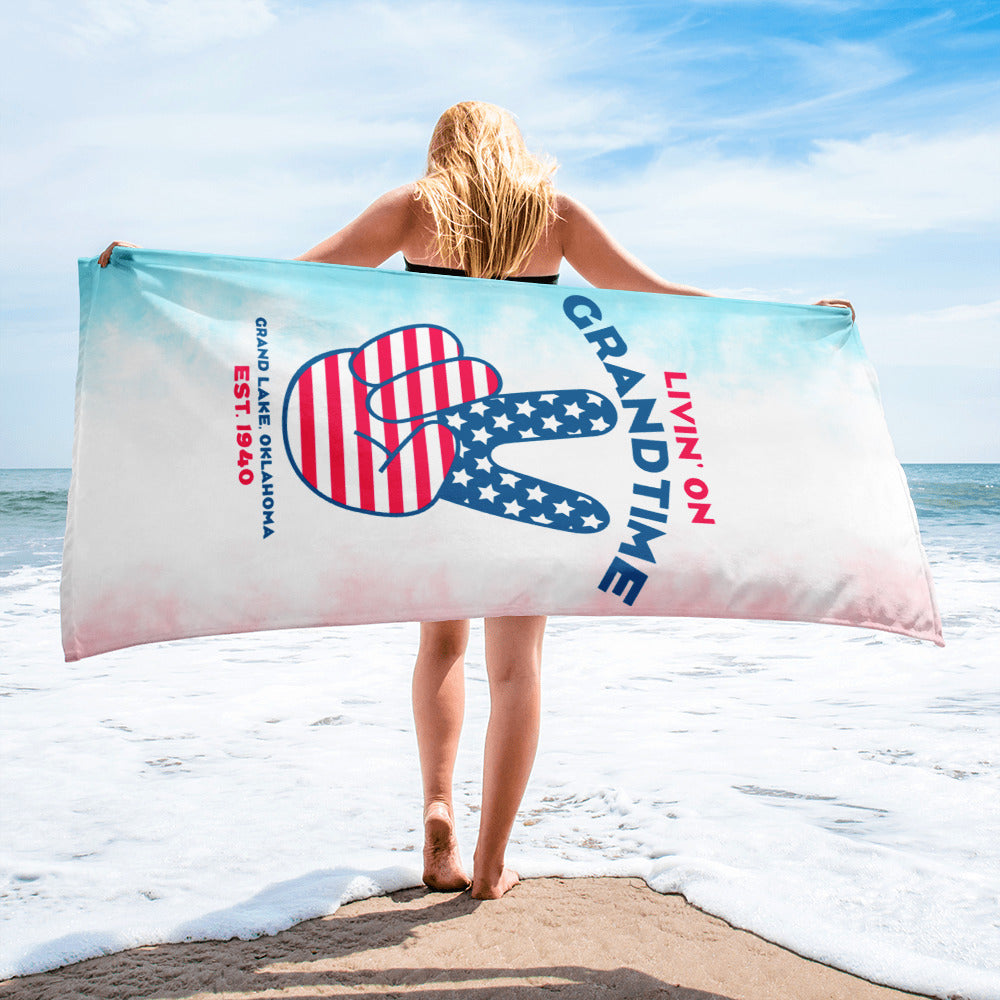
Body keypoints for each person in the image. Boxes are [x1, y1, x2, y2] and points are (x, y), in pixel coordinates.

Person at [100, 100, 852, 900]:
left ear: (443, 149)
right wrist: (788, 323)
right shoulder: (553, 215)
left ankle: (436, 809)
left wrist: (156, 276)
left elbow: (287, 283)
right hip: (524, 444)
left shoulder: (414, 209)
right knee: (518, 670)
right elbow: (656, 294)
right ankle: (491, 867)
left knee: (442, 648)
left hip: (428, 457)